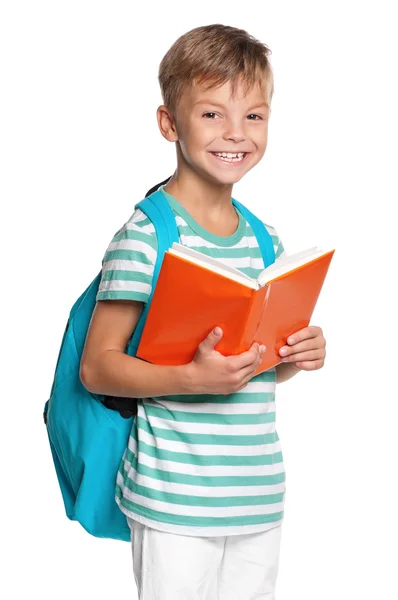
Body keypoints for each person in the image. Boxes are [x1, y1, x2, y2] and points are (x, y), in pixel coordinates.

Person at [80, 23, 327, 600]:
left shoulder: (266, 241)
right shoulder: (145, 236)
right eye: (212, 114)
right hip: (174, 499)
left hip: (258, 496)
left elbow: (259, 364)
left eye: (254, 116)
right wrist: (191, 379)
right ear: (169, 123)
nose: (235, 134)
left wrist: (295, 354)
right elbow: (98, 368)